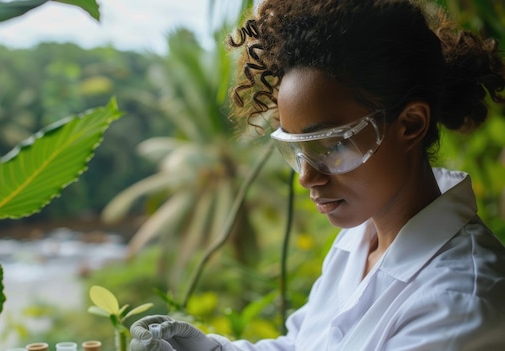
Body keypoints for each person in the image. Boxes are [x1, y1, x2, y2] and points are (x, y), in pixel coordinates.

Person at [129, 0, 505, 350]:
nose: (306, 178)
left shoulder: (459, 301)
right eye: (295, 149)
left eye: (331, 145)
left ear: (410, 124)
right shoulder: (358, 241)